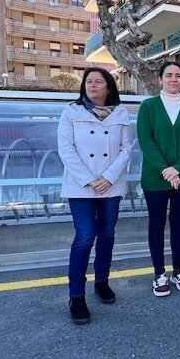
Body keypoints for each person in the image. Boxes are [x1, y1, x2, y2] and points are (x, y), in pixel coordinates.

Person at [57, 67, 134, 324]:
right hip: (81, 186)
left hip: (111, 185)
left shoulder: (121, 114)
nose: (92, 85)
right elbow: (65, 149)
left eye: (98, 81)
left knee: (107, 234)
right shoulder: (71, 112)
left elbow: (126, 149)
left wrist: (108, 178)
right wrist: (90, 180)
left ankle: (102, 281)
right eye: (88, 81)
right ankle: (76, 295)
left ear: (109, 87)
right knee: (85, 237)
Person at [137, 61, 180, 297]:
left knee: (179, 223)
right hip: (155, 178)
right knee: (156, 224)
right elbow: (145, 140)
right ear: (160, 79)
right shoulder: (148, 106)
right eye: (168, 75)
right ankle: (159, 274)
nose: (174, 79)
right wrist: (166, 169)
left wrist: (177, 168)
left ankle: (178, 270)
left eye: (178, 75)